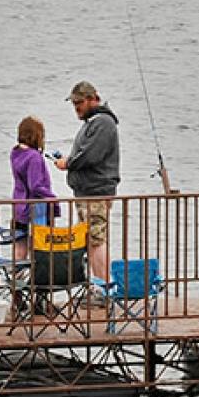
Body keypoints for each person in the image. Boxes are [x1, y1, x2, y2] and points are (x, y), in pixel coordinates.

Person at [54, 81, 121, 281]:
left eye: (79, 102)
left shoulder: (103, 122)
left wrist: (68, 163)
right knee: (90, 241)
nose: (76, 108)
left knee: (96, 240)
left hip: (96, 193)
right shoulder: (93, 123)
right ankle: (98, 284)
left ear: (93, 99)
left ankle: (104, 287)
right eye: (74, 103)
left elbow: (91, 155)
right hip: (86, 193)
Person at [8, 116, 55, 262]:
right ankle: (37, 278)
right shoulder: (34, 157)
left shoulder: (15, 153)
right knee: (39, 246)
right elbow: (35, 186)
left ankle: (17, 278)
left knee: (19, 245)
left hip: (18, 206)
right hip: (35, 209)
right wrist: (52, 197)